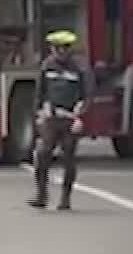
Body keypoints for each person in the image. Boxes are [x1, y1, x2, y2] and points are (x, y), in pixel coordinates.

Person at [29, 29, 92, 210]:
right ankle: (41, 194)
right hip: (51, 117)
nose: (57, 52)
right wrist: (39, 113)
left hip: (70, 118)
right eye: (55, 48)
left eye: (62, 48)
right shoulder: (47, 65)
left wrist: (81, 116)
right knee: (42, 154)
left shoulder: (80, 68)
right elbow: (39, 93)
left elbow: (87, 95)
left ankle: (66, 198)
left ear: (68, 49)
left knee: (68, 157)